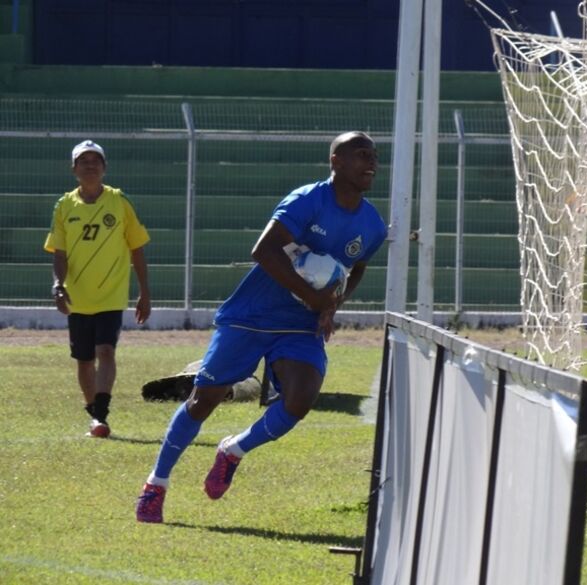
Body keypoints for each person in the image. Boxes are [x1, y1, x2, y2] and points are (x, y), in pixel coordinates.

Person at [135, 131, 387, 523]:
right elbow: (263, 250)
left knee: (300, 400)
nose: (371, 162)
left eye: (374, 155)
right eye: (360, 154)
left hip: (301, 326)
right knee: (204, 400)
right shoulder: (307, 200)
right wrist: (312, 293)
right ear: (335, 161)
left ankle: (233, 450)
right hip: (251, 316)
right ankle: (156, 483)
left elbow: (358, 268)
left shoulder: (373, 224)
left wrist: (333, 303)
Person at [44, 140, 152, 439]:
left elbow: (137, 248)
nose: (90, 165)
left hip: (111, 295)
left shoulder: (119, 202)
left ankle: (101, 414)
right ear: (74, 169)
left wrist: (144, 292)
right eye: (83, 160)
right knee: (83, 360)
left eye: (96, 160)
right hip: (78, 296)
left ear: (104, 168)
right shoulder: (64, 206)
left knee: (105, 350)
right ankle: (92, 412)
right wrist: (58, 285)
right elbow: (60, 253)